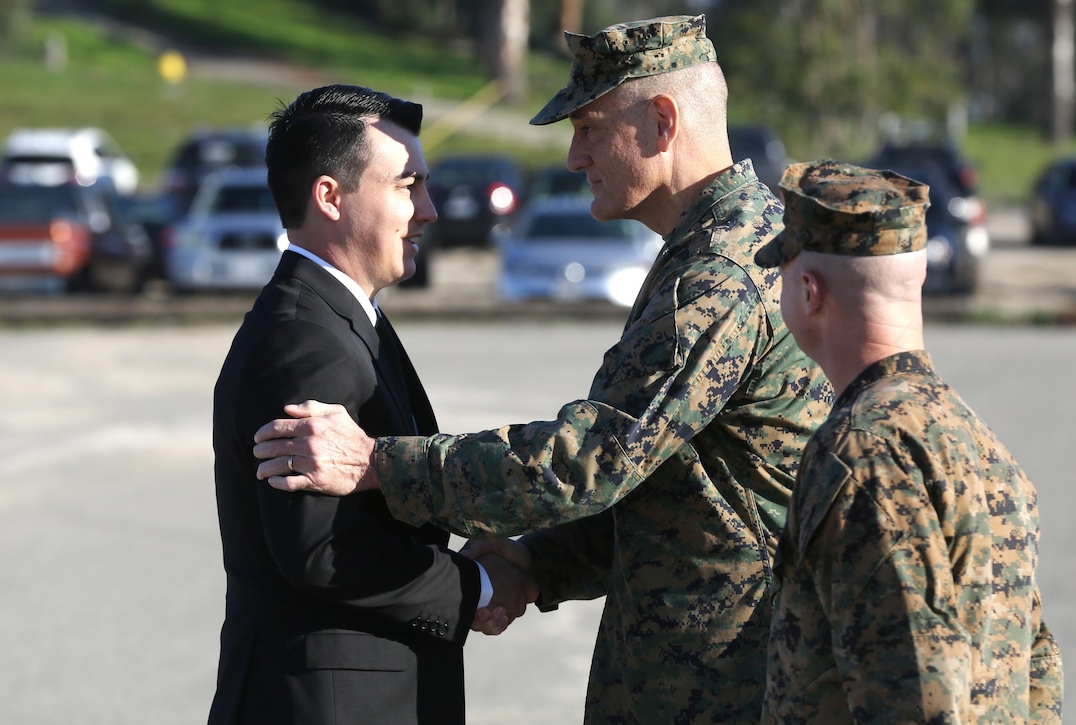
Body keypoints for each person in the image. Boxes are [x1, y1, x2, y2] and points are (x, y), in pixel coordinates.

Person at [252, 16, 833, 722]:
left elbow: (592, 458)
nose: (573, 156)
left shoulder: (718, 277)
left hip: (725, 690)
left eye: (589, 126)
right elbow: (679, 494)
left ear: (662, 121)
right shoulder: (723, 249)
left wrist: (378, 463)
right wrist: (537, 565)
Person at [207, 84, 531, 725]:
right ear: (330, 197)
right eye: (408, 186)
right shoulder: (304, 339)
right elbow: (323, 549)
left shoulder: (339, 321)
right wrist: (480, 588)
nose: (431, 210)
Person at [754, 160, 1065, 722]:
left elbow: (914, 698)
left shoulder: (863, 452)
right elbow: (1035, 669)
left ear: (808, 290)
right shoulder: (975, 437)